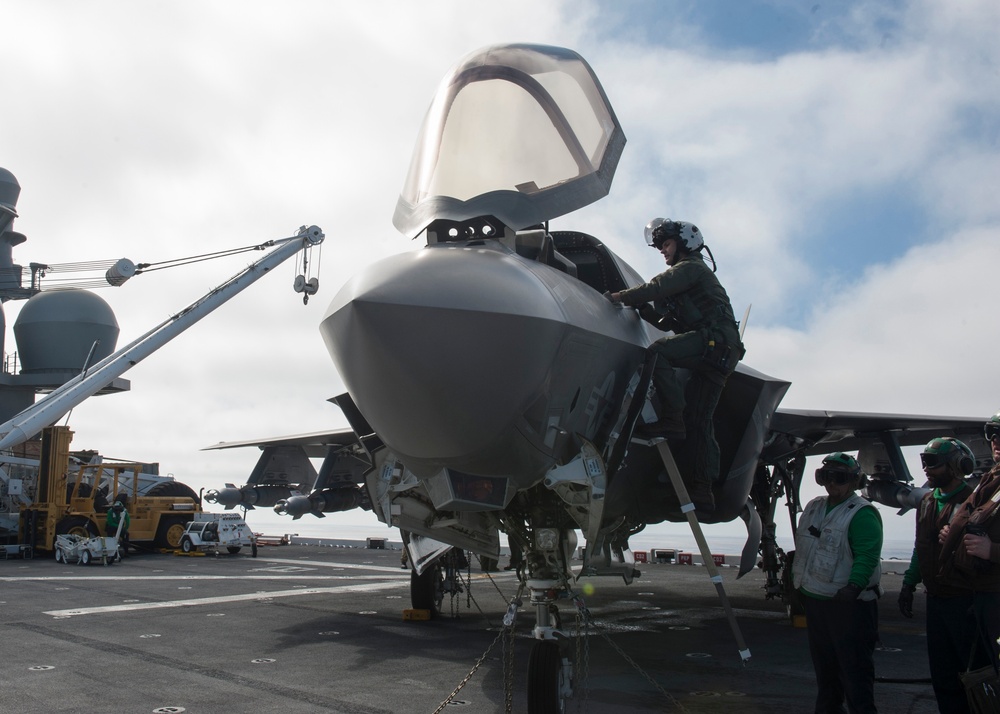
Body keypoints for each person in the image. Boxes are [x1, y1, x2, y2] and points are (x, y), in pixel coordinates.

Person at [606, 218, 743, 510]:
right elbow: (669, 323)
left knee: (658, 353)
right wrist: (643, 311)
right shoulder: (686, 282)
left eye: (666, 244)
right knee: (701, 423)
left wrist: (619, 298)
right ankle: (702, 491)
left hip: (714, 342)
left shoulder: (691, 269)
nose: (663, 251)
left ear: (684, 243)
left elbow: (657, 287)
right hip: (720, 352)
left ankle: (672, 419)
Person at [792, 452, 883, 714]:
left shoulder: (862, 514)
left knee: (856, 678)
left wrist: (854, 586)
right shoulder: (814, 507)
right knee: (827, 677)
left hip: (849, 608)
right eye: (826, 477)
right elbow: (804, 551)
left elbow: (867, 555)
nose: (832, 484)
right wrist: (796, 585)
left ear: (853, 481)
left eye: (840, 478)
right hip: (817, 604)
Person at [899, 437, 978, 714]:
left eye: (933, 464)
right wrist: (909, 582)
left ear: (956, 466)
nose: (926, 470)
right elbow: (921, 548)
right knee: (942, 675)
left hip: (964, 601)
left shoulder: (973, 504)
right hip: (936, 601)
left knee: (970, 674)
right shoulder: (927, 502)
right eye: (924, 463)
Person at [939, 411, 1000, 670]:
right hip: (985, 594)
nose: (995, 440)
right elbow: (970, 512)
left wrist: (992, 551)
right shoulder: (992, 478)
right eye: (992, 434)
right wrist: (952, 533)